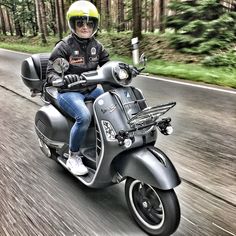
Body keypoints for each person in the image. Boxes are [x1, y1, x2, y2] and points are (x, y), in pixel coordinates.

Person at [46, 0, 109, 176]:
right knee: (83, 116)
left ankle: (105, 143)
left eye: (89, 23)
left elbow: (108, 65)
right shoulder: (64, 46)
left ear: (94, 25)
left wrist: (123, 69)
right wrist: (62, 79)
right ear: (73, 24)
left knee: (114, 102)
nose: (85, 27)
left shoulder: (97, 46)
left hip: (91, 88)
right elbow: (51, 73)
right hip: (69, 92)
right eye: (80, 22)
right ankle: (73, 156)